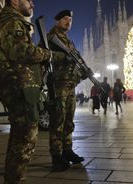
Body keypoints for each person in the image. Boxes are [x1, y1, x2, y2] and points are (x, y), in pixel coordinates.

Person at [0, 0, 69, 182]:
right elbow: (22, 51)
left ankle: (14, 177)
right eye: (28, 0)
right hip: (16, 85)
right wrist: (49, 54)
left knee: (20, 135)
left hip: (14, 84)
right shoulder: (12, 22)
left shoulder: (9, 21)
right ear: (15, 1)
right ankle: (15, 178)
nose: (32, 3)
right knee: (25, 136)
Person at [44, 9, 88, 172]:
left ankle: (67, 150)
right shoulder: (49, 37)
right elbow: (43, 54)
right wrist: (62, 57)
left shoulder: (68, 42)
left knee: (69, 121)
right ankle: (56, 156)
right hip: (58, 85)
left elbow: (76, 60)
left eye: (70, 19)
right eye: (65, 19)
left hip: (70, 86)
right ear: (57, 21)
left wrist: (85, 71)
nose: (68, 22)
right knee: (58, 121)